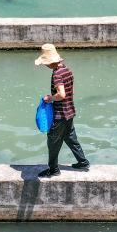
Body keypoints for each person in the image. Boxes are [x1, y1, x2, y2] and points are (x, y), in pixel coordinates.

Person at [35, 43, 89, 178]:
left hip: (60, 115)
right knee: (70, 138)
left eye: (45, 63)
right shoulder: (67, 70)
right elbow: (71, 91)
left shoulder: (57, 74)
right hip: (69, 111)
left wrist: (50, 98)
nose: (45, 65)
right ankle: (83, 162)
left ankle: (53, 169)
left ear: (50, 62)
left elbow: (62, 94)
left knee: (53, 142)